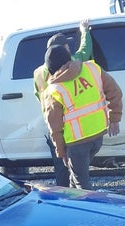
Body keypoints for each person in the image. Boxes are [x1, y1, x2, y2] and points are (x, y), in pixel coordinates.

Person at [42, 44, 123, 191]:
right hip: (98, 136)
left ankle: (88, 211)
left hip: (76, 143)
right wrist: (115, 119)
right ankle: (71, 206)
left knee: (82, 186)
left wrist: (61, 154)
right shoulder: (92, 69)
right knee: (76, 176)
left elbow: (55, 128)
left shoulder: (53, 91)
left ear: (51, 69)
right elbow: (115, 92)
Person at [33, 20, 92, 186]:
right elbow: (85, 51)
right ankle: (80, 201)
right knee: (79, 169)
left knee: (61, 167)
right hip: (71, 127)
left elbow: (38, 95)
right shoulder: (72, 62)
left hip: (51, 126)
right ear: (65, 48)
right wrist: (85, 31)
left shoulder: (37, 73)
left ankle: (64, 198)